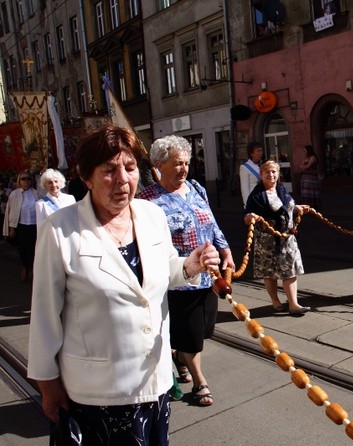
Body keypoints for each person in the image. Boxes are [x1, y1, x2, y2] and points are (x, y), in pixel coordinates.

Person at [27, 124, 221, 444]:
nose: (122, 179)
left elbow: (161, 273)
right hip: (98, 394)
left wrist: (190, 265)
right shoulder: (60, 230)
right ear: (86, 177)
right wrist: (48, 387)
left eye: (130, 168)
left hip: (154, 383)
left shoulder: (151, 215)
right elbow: (45, 316)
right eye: (109, 170)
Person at [138, 134, 235, 407]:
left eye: (185, 163)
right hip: (176, 278)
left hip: (208, 275)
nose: (183, 169)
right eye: (176, 164)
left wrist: (225, 250)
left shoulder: (196, 188)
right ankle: (200, 381)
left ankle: (180, 356)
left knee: (204, 329)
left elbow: (212, 224)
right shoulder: (147, 199)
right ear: (159, 165)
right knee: (192, 333)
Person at [244, 160, 311, 315]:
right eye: (267, 172)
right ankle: (275, 301)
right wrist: (250, 217)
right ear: (261, 174)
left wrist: (297, 208)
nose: (271, 174)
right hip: (267, 240)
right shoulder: (256, 196)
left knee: (290, 270)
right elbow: (246, 217)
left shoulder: (281, 189)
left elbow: (286, 207)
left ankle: (294, 304)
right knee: (270, 273)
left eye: (274, 171)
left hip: (287, 238)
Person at [2, 170, 39, 281]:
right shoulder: (15, 194)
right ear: (19, 181)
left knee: (34, 248)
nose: (26, 181)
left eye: (28, 178)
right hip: (21, 225)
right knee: (22, 248)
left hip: (34, 225)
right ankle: (24, 267)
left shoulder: (36, 193)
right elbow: (11, 211)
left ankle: (34, 269)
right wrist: (12, 227)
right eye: (23, 179)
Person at [240, 141, 264, 208]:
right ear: (251, 153)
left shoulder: (262, 166)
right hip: (253, 202)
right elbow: (244, 188)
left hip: (263, 201)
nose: (261, 153)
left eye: (261, 151)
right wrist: (247, 205)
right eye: (258, 151)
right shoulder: (244, 167)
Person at [300, 144, 321, 208]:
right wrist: (304, 166)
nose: (304, 152)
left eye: (305, 150)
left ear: (308, 150)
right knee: (306, 192)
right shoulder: (307, 158)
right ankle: (307, 205)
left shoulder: (313, 157)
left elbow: (308, 166)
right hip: (305, 177)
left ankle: (313, 205)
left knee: (311, 191)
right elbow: (300, 166)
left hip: (311, 178)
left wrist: (304, 166)